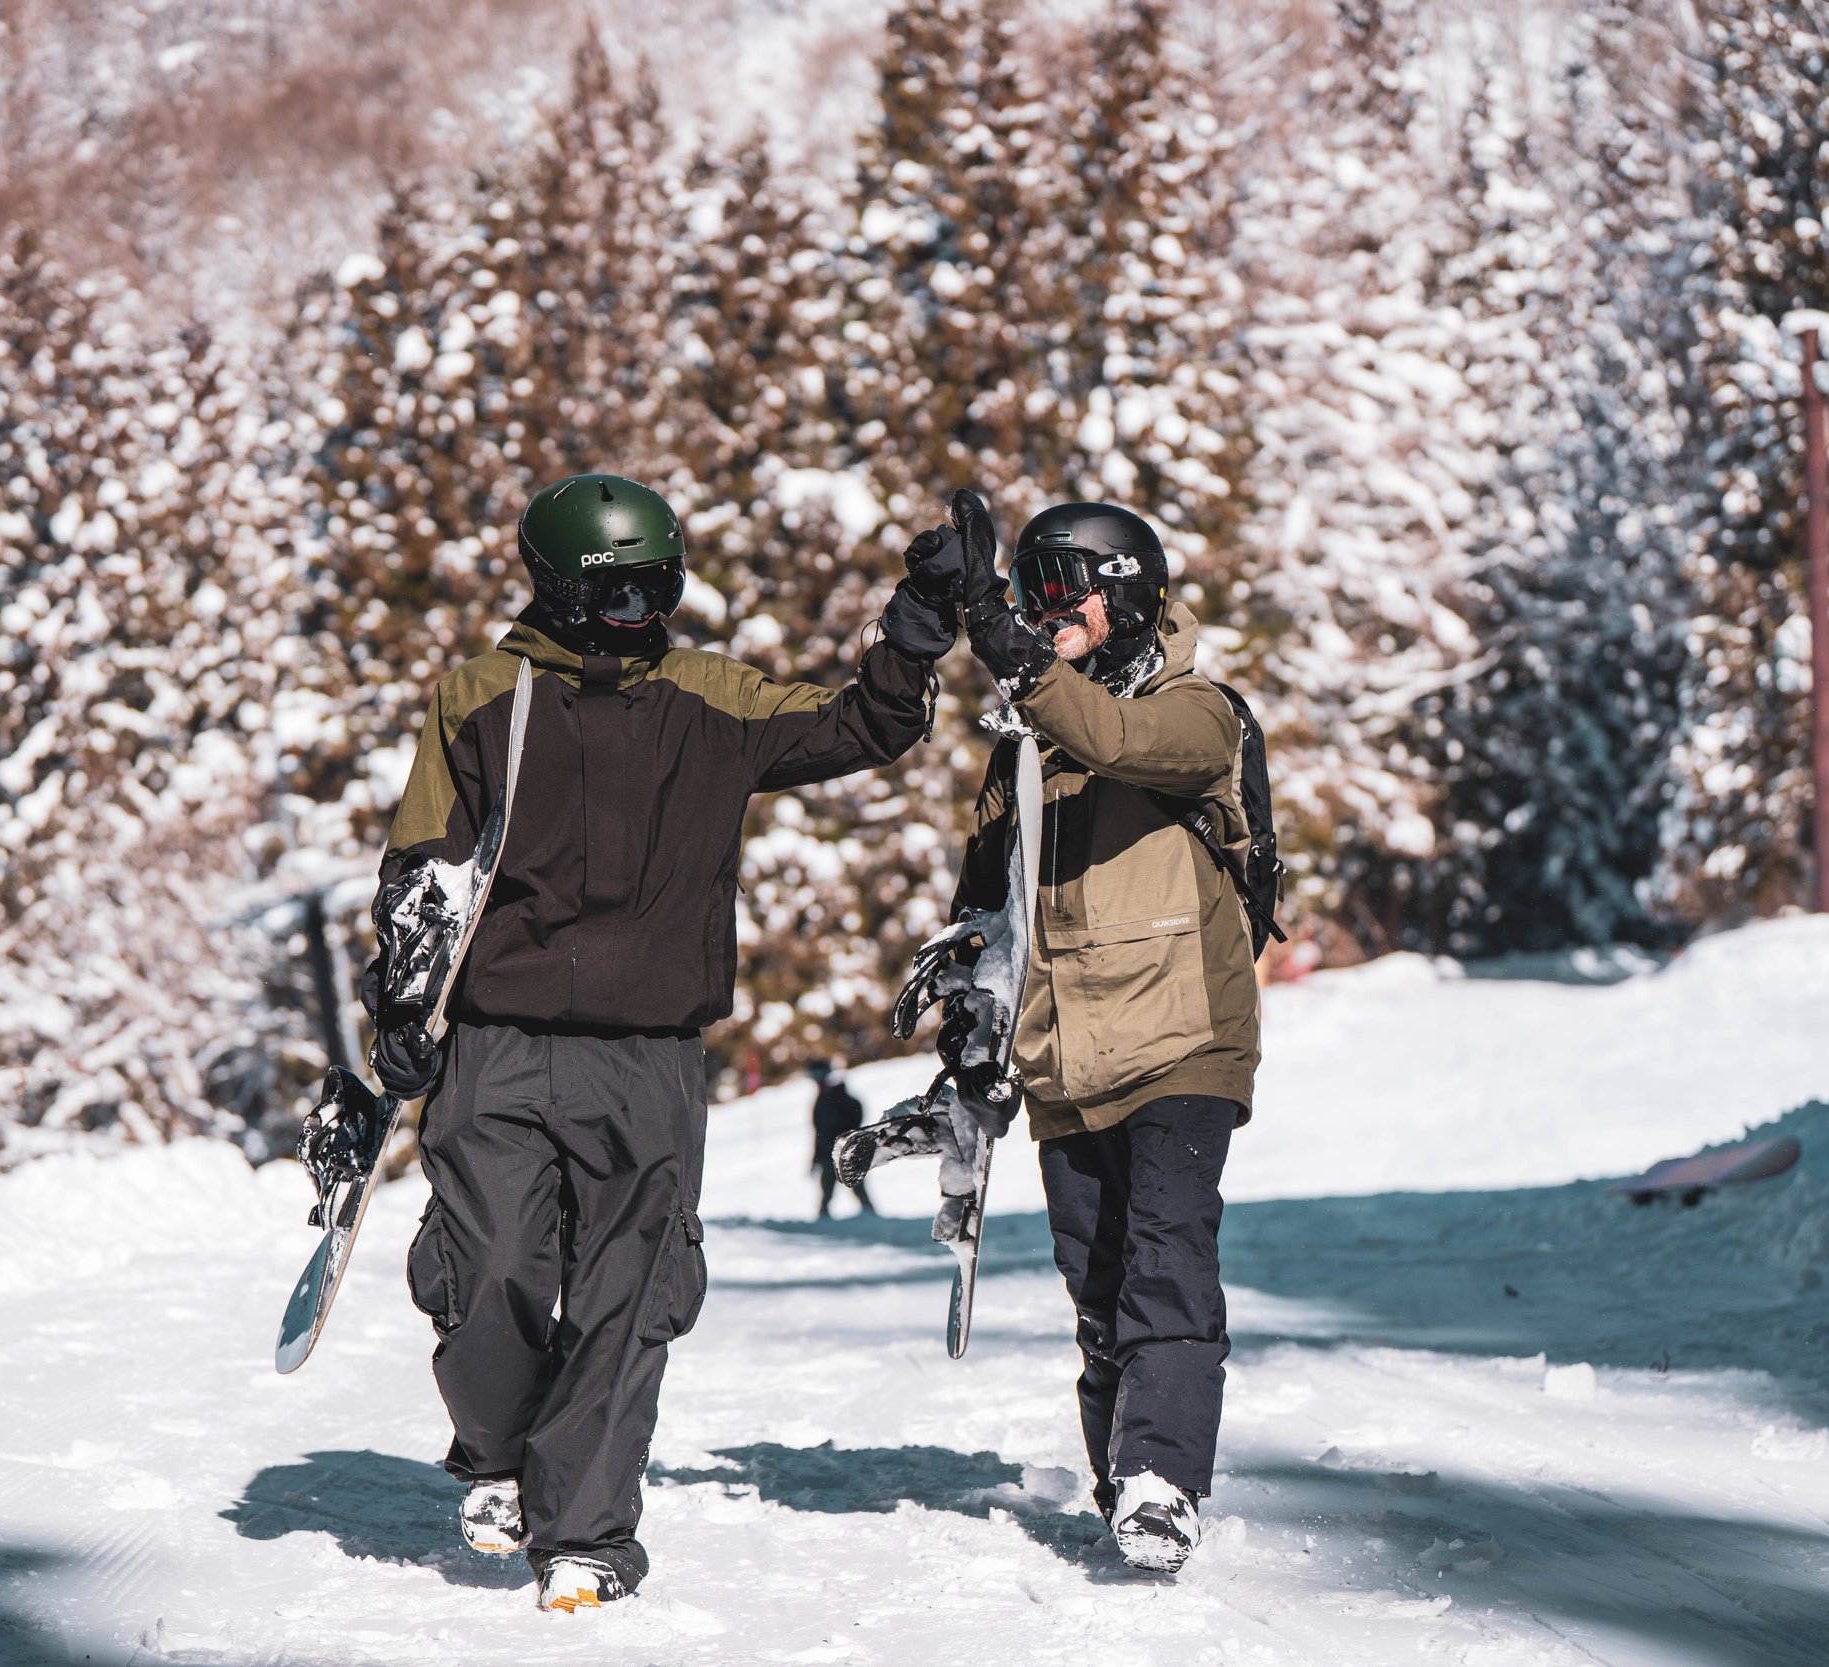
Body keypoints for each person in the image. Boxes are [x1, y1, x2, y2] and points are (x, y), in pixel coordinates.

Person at [367, 472, 960, 1612]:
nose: (645, 606)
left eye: (660, 582)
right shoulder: (486, 695)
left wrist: (914, 632)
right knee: (486, 1270)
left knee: (627, 1296)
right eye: (618, 588)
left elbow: (866, 724)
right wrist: (398, 1009)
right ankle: (497, 1453)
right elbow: (423, 862)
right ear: (556, 588)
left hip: (650, 1053)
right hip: (500, 1038)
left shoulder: (710, 696)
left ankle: (584, 1530)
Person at [942, 493, 1262, 1575]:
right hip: (1067, 1054)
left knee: (1165, 1261)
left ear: (1122, 592)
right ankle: (1122, 1479)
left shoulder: (1197, 712)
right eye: (1026, 594)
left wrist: (996, 638)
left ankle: (1165, 1480)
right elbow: (989, 910)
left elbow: (1116, 736)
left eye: (1055, 591)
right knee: (1100, 1284)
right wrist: (967, 1028)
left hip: (1179, 1035)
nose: (1041, 613)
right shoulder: (1025, 753)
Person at [807, 1059, 873, 1218]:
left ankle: (870, 1216)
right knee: (826, 1190)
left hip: (845, 1151)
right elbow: (819, 1133)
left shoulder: (841, 1097)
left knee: (856, 1185)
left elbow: (855, 1119)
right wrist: (816, 1158)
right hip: (828, 1154)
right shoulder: (821, 1101)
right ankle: (823, 1218)